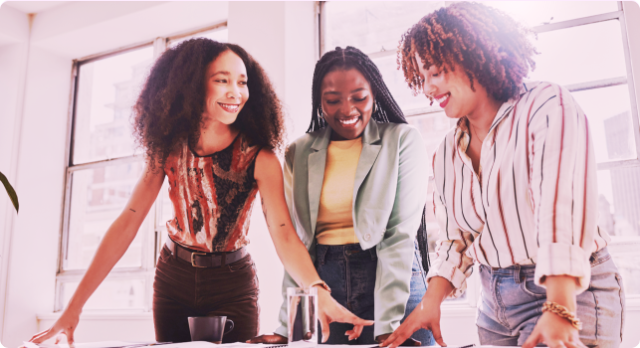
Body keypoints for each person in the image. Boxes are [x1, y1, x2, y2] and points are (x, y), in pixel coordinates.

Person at [29, 39, 373, 345]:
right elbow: (128, 222)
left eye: (242, 82)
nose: (235, 92)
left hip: (232, 283)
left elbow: (284, 233)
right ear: (192, 86)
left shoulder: (260, 156)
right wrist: (72, 310)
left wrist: (317, 291)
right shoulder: (168, 147)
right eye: (222, 80)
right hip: (173, 278)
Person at [381, 3, 625, 348]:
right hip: (494, 303)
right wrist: (429, 302)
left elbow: (562, 213)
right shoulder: (447, 153)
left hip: (569, 289)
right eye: (421, 78)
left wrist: (559, 306)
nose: (427, 89)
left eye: (435, 72)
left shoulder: (546, 106)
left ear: (472, 54)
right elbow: (458, 241)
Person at [250, 46, 434, 346]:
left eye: (359, 97)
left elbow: (398, 236)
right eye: (333, 100)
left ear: (374, 94)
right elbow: (298, 243)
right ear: (319, 103)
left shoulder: (402, 140)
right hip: (327, 287)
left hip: (393, 283)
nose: (347, 109)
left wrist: (387, 325)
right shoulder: (300, 151)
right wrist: (288, 326)